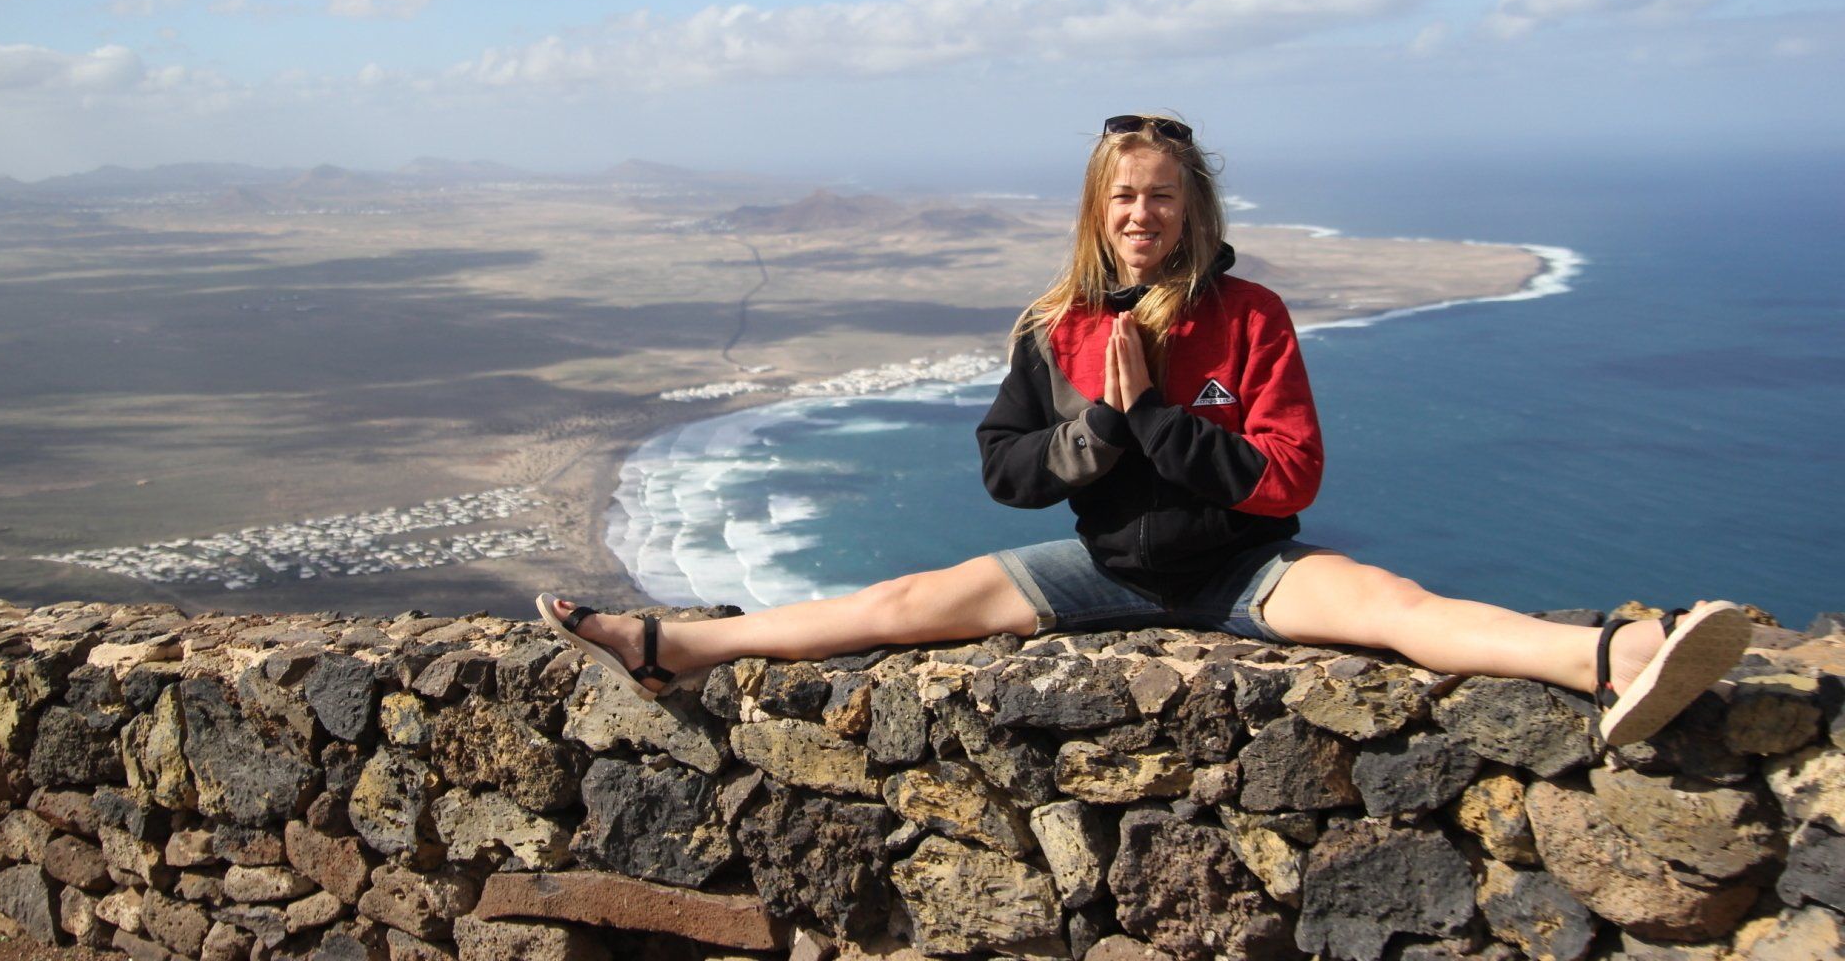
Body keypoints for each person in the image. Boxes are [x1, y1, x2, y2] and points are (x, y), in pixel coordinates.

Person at [540, 113, 1751, 746]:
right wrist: (1099, 433)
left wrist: (1156, 417)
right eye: (1123, 195)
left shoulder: (1251, 314)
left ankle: (1615, 658)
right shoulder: (1055, 324)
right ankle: (674, 645)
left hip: (1246, 569)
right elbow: (1008, 469)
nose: (1142, 212)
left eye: (1162, 195)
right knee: (902, 602)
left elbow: (1289, 477)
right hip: (1101, 568)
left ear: (1193, 208)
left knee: (1399, 608)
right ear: (1097, 209)